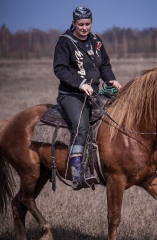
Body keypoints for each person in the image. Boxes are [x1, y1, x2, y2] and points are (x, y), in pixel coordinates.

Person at [53, 6, 121, 190]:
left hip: (95, 93)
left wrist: (111, 79)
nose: (84, 28)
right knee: (81, 126)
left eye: (88, 24)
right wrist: (81, 83)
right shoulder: (65, 42)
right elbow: (59, 68)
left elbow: (104, 64)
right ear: (74, 23)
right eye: (81, 24)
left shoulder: (96, 41)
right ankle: (77, 174)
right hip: (72, 95)